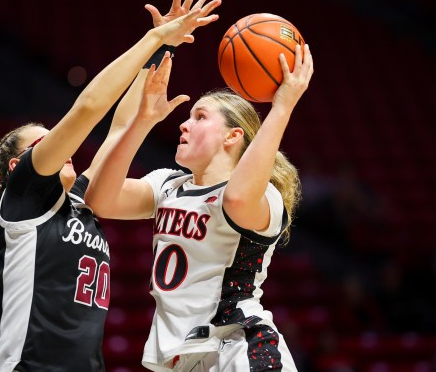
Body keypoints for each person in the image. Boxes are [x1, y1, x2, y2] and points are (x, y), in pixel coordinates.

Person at [0, 0, 221, 372]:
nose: (61, 148)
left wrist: (166, 44)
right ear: (19, 168)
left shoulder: (78, 201)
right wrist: (152, 35)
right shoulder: (24, 199)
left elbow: (121, 129)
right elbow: (89, 108)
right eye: (43, 144)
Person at [85, 41, 314, 370]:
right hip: (179, 356)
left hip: (237, 346)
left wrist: (282, 107)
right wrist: (142, 122)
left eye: (200, 117)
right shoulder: (168, 184)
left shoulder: (264, 197)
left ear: (232, 137)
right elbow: (100, 199)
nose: (184, 124)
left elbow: (235, 199)